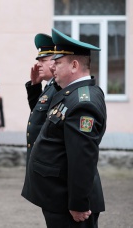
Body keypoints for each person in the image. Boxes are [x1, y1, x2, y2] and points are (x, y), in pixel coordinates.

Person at [22, 28, 107, 228]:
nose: (54, 67)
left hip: (69, 201)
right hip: (58, 196)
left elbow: (82, 157)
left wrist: (78, 203)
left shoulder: (82, 102)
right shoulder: (71, 94)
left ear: (74, 65)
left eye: (58, 62)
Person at [24, 33, 60, 166]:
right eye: (38, 60)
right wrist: (34, 86)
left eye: (43, 60)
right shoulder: (49, 86)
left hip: (46, 160)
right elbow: (37, 115)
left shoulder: (59, 87)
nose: (38, 64)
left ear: (56, 61)